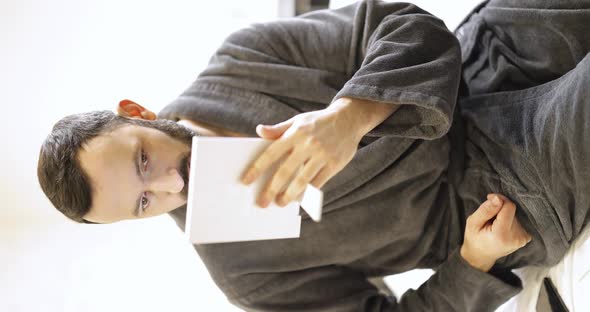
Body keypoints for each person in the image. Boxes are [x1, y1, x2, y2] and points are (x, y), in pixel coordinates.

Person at [36, 0, 590, 311]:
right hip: (501, 193)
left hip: (485, 62)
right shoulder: (245, 272)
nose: (171, 188)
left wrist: (349, 115)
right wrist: (472, 263)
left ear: (135, 112)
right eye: (142, 203)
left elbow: (407, 24)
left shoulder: (242, 60)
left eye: (141, 163)